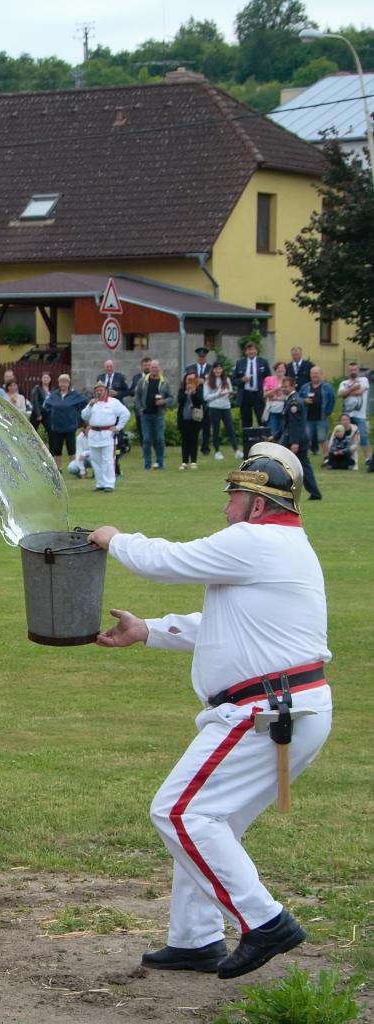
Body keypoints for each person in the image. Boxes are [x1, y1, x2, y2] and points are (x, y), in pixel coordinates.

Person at [88, 442, 332, 980]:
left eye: (233, 498)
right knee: (212, 820)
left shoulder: (255, 540)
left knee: (181, 813)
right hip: (285, 707)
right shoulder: (279, 546)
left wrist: (113, 538)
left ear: (258, 504)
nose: (225, 508)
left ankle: (265, 921)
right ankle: (195, 940)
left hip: (265, 712)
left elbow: (166, 561)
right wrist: (148, 631)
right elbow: (229, 626)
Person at [276, 376, 322, 501]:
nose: (283, 388)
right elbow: (286, 423)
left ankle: (287, 491)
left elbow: (295, 424)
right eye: (282, 386)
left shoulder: (294, 402)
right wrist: (275, 436)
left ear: (293, 386)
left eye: (286, 386)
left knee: (293, 466)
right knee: (301, 466)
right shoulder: (290, 400)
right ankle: (313, 493)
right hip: (294, 438)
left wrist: (294, 442)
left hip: (296, 439)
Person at [81, 381, 129, 491]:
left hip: (107, 434)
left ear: (106, 391)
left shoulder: (113, 402)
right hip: (94, 434)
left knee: (107, 460)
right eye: (97, 390)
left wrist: (118, 427)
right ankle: (100, 483)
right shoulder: (92, 403)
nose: (99, 392)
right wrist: (89, 406)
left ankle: (109, 484)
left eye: (101, 390)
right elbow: (84, 416)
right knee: (95, 460)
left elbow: (125, 413)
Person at [42, 373, 89, 471]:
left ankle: (74, 468)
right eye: (61, 382)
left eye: (65, 382)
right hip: (56, 426)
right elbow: (46, 407)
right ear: (58, 383)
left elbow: (84, 404)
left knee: (71, 448)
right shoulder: (53, 395)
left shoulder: (74, 395)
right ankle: (58, 469)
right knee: (57, 449)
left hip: (70, 426)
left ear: (68, 383)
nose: (63, 384)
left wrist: (76, 413)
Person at [138, 360, 172, 471]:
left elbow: (171, 398)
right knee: (147, 439)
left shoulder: (165, 382)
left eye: (156, 367)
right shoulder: (143, 381)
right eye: (152, 367)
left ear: (159, 368)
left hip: (159, 415)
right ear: (150, 369)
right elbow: (137, 397)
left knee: (160, 439)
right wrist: (140, 409)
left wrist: (163, 402)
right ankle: (147, 464)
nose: (154, 369)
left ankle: (160, 462)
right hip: (145, 415)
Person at [336, 362, 369, 469]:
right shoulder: (344, 382)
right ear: (348, 371)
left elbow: (360, 392)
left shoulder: (364, 380)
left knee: (363, 436)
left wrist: (346, 393)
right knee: (345, 437)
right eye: (351, 370)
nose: (353, 372)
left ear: (358, 370)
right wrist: (353, 388)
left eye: (355, 370)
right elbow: (339, 394)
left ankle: (368, 459)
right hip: (346, 416)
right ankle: (345, 459)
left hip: (360, 415)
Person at [298, 366, 335, 460]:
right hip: (307, 418)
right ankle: (304, 458)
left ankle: (327, 458)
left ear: (321, 374)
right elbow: (298, 398)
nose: (315, 375)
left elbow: (332, 400)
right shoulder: (305, 387)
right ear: (310, 375)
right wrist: (304, 400)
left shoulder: (327, 387)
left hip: (321, 418)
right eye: (313, 373)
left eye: (317, 373)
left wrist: (328, 412)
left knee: (322, 438)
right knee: (306, 438)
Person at [203, 365, 239, 460]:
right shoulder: (208, 381)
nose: (218, 370)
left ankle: (236, 450)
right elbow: (206, 397)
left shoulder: (226, 379)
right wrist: (218, 394)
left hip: (226, 407)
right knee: (216, 430)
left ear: (222, 370)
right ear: (213, 370)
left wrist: (229, 393)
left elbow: (230, 391)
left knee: (230, 429)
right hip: (214, 407)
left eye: (220, 368)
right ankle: (217, 452)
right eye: (216, 369)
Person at [183, 350, 213, 454]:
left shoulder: (211, 369)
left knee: (206, 425)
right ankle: (192, 445)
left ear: (206, 357)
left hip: (207, 399)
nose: (201, 359)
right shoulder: (190, 368)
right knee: (194, 425)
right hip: (194, 399)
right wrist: (197, 381)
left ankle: (205, 447)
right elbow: (187, 382)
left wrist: (204, 381)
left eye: (203, 357)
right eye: (200, 357)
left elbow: (213, 382)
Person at [234, 343, 270, 428]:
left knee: (262, 419)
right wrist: (242, 380)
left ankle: (263, 435)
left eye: (253, 349)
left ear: (256, 351)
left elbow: (268, 378)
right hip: (245, 395)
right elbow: (233, 380)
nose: (251, 352)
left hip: (258, 394)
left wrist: (266, 391)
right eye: (249, 350)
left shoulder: (263, 362)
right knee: (246, 421)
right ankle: (247, 436)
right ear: (245, 352)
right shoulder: (240, 363)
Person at [176, 372, 205, 470]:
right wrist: (186, 393)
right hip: (184, 418)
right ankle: (184, 461)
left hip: (195, 419)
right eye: (188, 379)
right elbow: (180, 400)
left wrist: (193, 393)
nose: (190, 381)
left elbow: (200, 401)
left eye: (192, 379)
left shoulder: (199, 390)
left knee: (194, 439)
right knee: (185, 440)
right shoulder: (182, 390)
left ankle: (193, 461)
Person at [264, 364, 287, 440]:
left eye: (283, 368)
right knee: (273, 433)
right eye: (279, 368)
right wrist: (276, 388)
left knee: (283, 433)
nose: (281, 369)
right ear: (275, 369)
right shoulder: (268, 379)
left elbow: (289, 395)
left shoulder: (288, 380)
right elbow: (265, 394)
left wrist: (276, 398)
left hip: (285, 411)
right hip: (272, 411)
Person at [29, 372, 53, 436]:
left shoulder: (52, 389)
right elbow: (35, 402)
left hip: (46, 413)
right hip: (37, 413)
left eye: (47, 377)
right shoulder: (37, 388)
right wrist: (38, 414)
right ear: (41, 379)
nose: (46, 379)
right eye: (44, 377)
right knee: (32, 432)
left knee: (51, 431)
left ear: (50, 379)